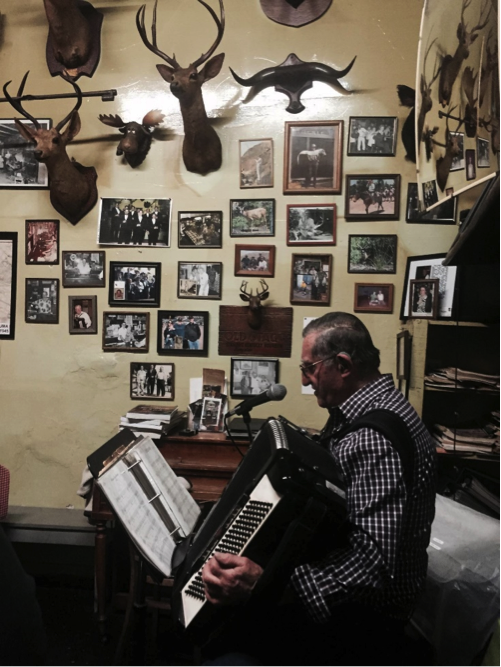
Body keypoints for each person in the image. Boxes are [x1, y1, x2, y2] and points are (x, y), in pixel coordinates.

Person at [201, 312, 436, 667]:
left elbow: (370, 568)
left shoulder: (373, 439)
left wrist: (265, 585)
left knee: (221, 643)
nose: (305, 380)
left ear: (342, 365)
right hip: (345, 608)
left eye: (309, 368)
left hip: (361, 629)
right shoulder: (372, 410)